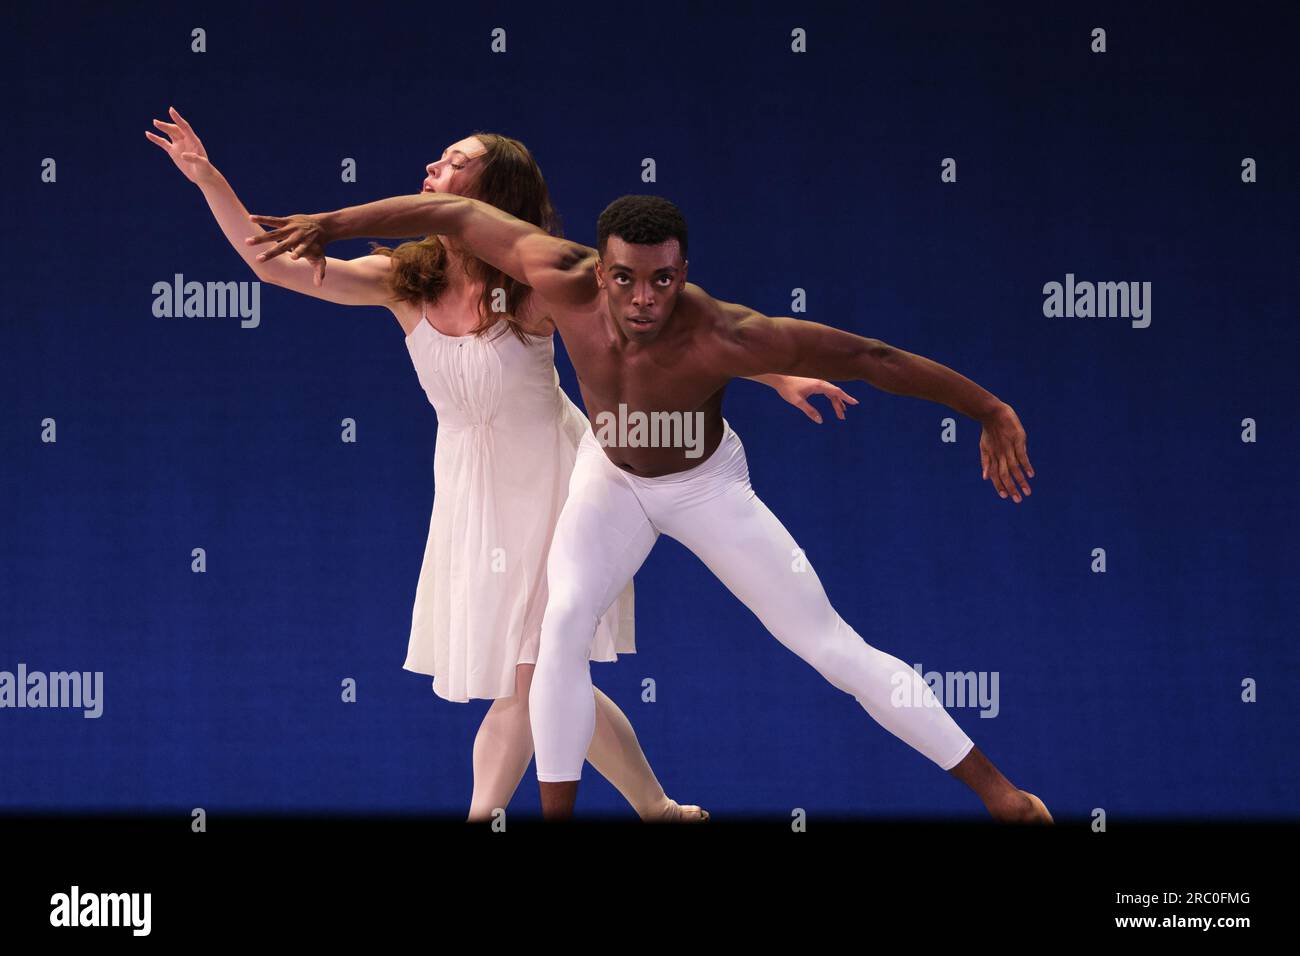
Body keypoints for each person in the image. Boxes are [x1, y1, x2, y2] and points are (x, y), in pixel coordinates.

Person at [247, 186, 1055, 824]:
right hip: (609, 477)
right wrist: (335, 221)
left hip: (704, 487)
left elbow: (872, 356)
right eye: (626, 278)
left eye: (664, 279)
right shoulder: (556, 277)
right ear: (597, 269)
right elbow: (451, 211)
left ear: (684, 270)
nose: (643, 298)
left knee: (829, 645)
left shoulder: (727, 334)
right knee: (559, 628)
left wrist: (989, 409)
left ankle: (1002, 796)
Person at [147, 107, 854, 821]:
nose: (432, 169)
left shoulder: (538, 288)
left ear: (491, 197)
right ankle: (658, 808)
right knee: (547, 678)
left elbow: (670, 329)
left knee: (533, 672)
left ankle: (481, 813)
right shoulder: (405, 280)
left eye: (453, 162)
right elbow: (271, 265)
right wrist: (209, 179)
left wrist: (777, 375)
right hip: (469, 493)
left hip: (557, 484)